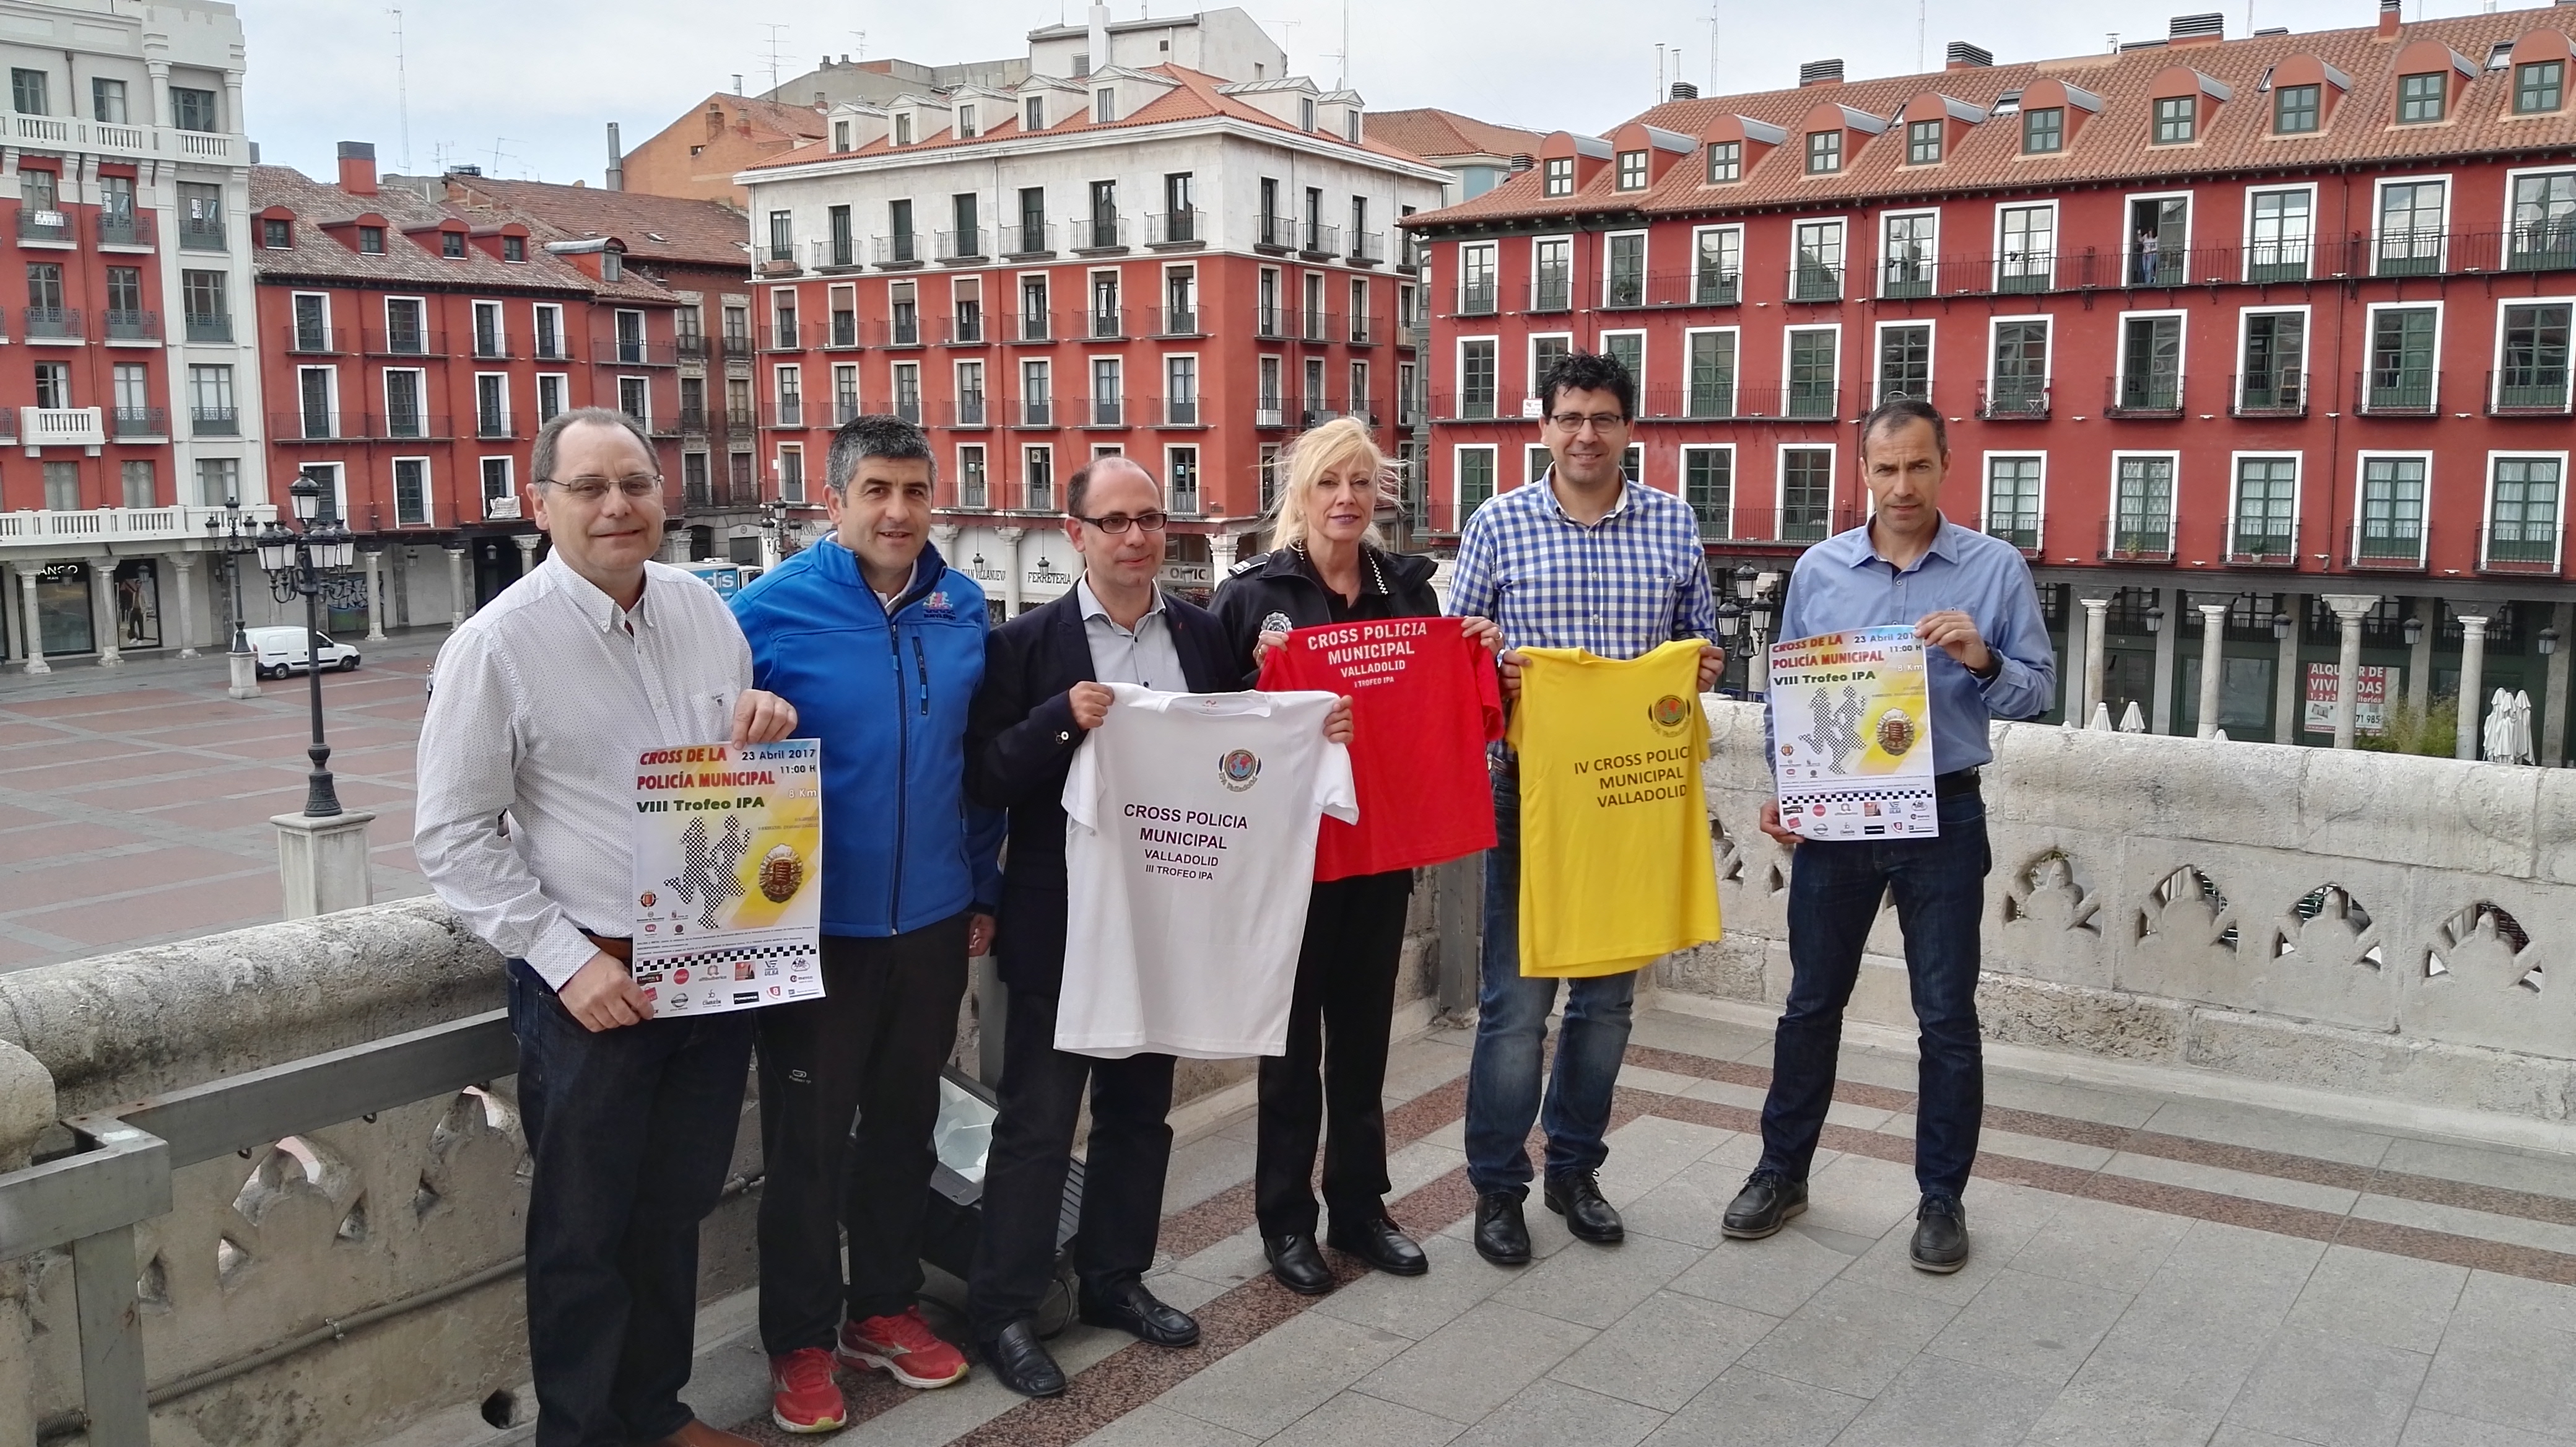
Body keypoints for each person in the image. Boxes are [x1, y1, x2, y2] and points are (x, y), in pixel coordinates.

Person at [416, 408, 798, 1447]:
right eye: (588, 487)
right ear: (540, 506)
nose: (617, 505)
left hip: (710, 967)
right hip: (590, 984)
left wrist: (764, 725)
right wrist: (566, 962)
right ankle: (581, 1435)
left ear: (662, 496)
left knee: (674, 1210)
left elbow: (718, 780)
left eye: (634, 482)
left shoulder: (703, 610)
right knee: (582, 1235)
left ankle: (655, 1414)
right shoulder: (497, 646)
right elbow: (452, 835)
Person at [965, 455, 1351, 1396]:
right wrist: (1062, 721)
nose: (1136, 537)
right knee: (1038, 1123)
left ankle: (1114, 1280)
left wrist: (1314, 733)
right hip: (1064, 925)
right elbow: (986, 776)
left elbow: (1238, 744)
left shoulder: (1200, 632)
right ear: (1076, 535)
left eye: (1149, 519)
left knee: (1141, 1114)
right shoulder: (1023, 645)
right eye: (1115, 522)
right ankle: (1004, 1311)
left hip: (1167, 916)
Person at [1723, 396, 2056, 1273]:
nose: (1902, 485)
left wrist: (1982, 659)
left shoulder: (1995, 569)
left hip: (1943, 813)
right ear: (1863, 472)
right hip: (1838, 817)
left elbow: (2037, 690)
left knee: (1945, 1017)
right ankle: (1781, 1172)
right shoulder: (1820, 570)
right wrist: (1789, 787)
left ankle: (1941, 1199)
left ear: (1945, 465)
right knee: (1810, 1005)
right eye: (1886, 468)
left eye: (1917, 466)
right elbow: (1787, 693)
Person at [728, 415, 999, 1432]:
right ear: (833, 502)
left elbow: (974, 767)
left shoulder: (962, 607)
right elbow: (703, 760)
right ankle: (799, 1341)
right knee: (806, 1143)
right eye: (876, 491)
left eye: (914, 491)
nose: (897, 511)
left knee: (905, 1124)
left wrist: (981, 889)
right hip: (812, 930)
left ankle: (881, 1308)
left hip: (931, 919)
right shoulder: (763, 613)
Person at [1211, 417, 1502, 1295]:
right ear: (1299, 493)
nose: (1346, 499)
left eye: (1362, 482)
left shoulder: (1408, 593)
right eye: (1329, 482)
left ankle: (1361, 1208)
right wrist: (1265, 689)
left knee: (1365, 1042)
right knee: (1289, 1049)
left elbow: (1435, 704)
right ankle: (1284, 1220)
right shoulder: (1248, 597)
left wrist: (1474, 655)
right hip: (1289, 859)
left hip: (1379, 847)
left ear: (1381, 494)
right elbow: (1210, 732)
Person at [1447, 352, 1721, 1268]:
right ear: (1545, 427)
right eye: (1570, 418)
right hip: (1528, 792)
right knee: (1515, 1004)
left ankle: (1574, 1171)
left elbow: (1699, 644)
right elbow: (1460, 657)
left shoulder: (1675, 524)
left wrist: (1701, 665)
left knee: (1605, 1004)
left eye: (1603, 418)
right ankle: (1498, 1188)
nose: (1586, 435)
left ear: (1629, 428)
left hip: (1631, 793)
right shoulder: (1498, 524)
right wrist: (1494, 672)